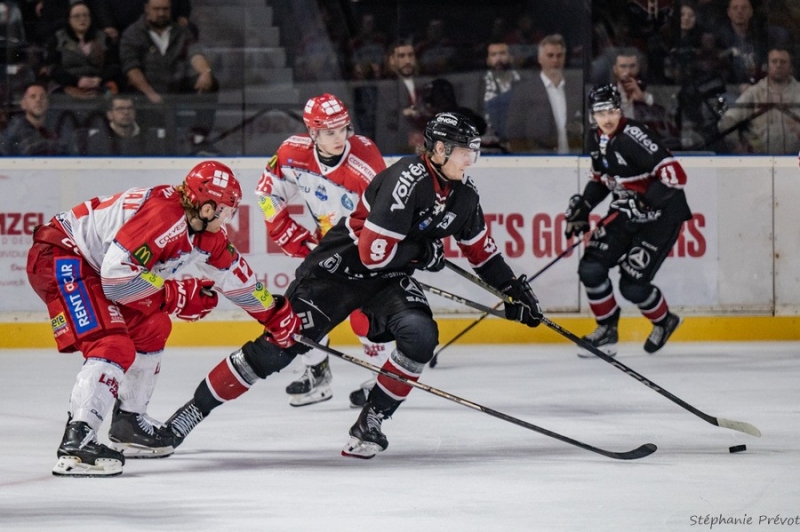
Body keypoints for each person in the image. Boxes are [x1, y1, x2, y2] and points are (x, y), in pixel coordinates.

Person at [154, 112, 542, 459]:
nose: (470, 159)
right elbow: (373, 253)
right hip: (335, 273)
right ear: (439, 149)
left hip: (386, 279)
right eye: (463, 151)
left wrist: (513, 288)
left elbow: (482, 254)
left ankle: (370, 422)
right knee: (277, 350)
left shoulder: (465, 196)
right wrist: (423, 253)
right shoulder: (407, 179)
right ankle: (189, 414)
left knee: (421, 335)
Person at [25, 160, 301, 476]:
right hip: (62, 257)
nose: (229, 217)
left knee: (154, 326)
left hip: (94, 268)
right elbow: (117, 280)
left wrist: (274, 314)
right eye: (226, 209)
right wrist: (174, 295)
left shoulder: (201, 229)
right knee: (112, 344)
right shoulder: (162, 217)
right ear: (208, 208)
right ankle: (77, 441)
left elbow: (236, 277)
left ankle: (128, 423)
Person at [256, 93, 393, 407]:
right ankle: (316, 373)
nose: (339, 137)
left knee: (364, 317)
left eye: (343, 129)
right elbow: (266, 193)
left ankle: (384, 379)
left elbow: (388, 212)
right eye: (329, 132)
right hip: (324, 246)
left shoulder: (365, 159)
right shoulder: (292, 152)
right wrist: (283, 229)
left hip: (363, 248)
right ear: (312, 133)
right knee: (304, 312)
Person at [564, 84, 691, 358]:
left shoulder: (633, 135)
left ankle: (664, 320)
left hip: (661, 217)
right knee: (591, 268)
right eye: (600, 113)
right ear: (591, 116)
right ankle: (607, 331)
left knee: (631, 285)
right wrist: (582, 208)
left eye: (612, 111)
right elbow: (600, 179)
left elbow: (676, 176)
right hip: (628, 212)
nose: (607, 118)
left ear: (620, 110)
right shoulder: (597, 138)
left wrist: (645, 201)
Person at [119, 0, 217, 132]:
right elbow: (131, 68)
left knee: (211, 83)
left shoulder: (182, 32)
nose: (161, 13)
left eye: (165, 9)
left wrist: (205, 72)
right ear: (146, 8)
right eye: (156, 9)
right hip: (147, 90)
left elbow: (195, 53)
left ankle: (200, 137)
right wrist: (150, 93)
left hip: (177, 87)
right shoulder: (132, 34)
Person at [505, 34, 583, 153]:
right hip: (538, 162)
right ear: (540, 58)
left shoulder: (576, 89)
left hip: (575, 161)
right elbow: (514, 133)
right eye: (550, 56)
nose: (555, 60)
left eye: (559, 55)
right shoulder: (524, 91)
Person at [717, 47, 800, 154]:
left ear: (791, 67)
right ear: (767, 67)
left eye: (783, 62)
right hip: (761, 163)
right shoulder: (754, 93)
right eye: (774, 61)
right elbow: (727, 122)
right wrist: (737, 146)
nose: (778, 65)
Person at [42, 0, 121, 100]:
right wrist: (77, 81)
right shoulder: (57, 39)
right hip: (69, 84)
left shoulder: (103, 37)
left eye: (86, 15)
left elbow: (114, 66)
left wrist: (99, 79)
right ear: (69, 19)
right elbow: (52, 67)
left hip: (99, 84)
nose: (82, 19)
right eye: (77, 16)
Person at [374, 38, 426, 155]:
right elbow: (390, 119)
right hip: (397, 150)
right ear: (391, 60)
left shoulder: (423, 83)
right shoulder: (385, 86)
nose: (407, 60)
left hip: (423, 147)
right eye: (401, 56)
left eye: (410, 55)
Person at [0, 82, 72, 155]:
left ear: (47, 103)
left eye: (42, 96)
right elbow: (33, 151)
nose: (38, 100)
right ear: (23, 104)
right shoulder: (17, 127)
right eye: (33, 96)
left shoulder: (46, 131)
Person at [477, 41, 521, 143]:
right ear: (487, 60)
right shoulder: (480, 84)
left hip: (518, 140)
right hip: (487, 142)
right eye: (493, 55)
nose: (498, 59)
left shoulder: (523, 82)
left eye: (502, 53)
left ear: (511, 57)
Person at [83, 94, 149, 155]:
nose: (126, 112)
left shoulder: (148, 135)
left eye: (130, 108)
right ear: (110, 115)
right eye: (120, 109)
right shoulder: (97, 139)